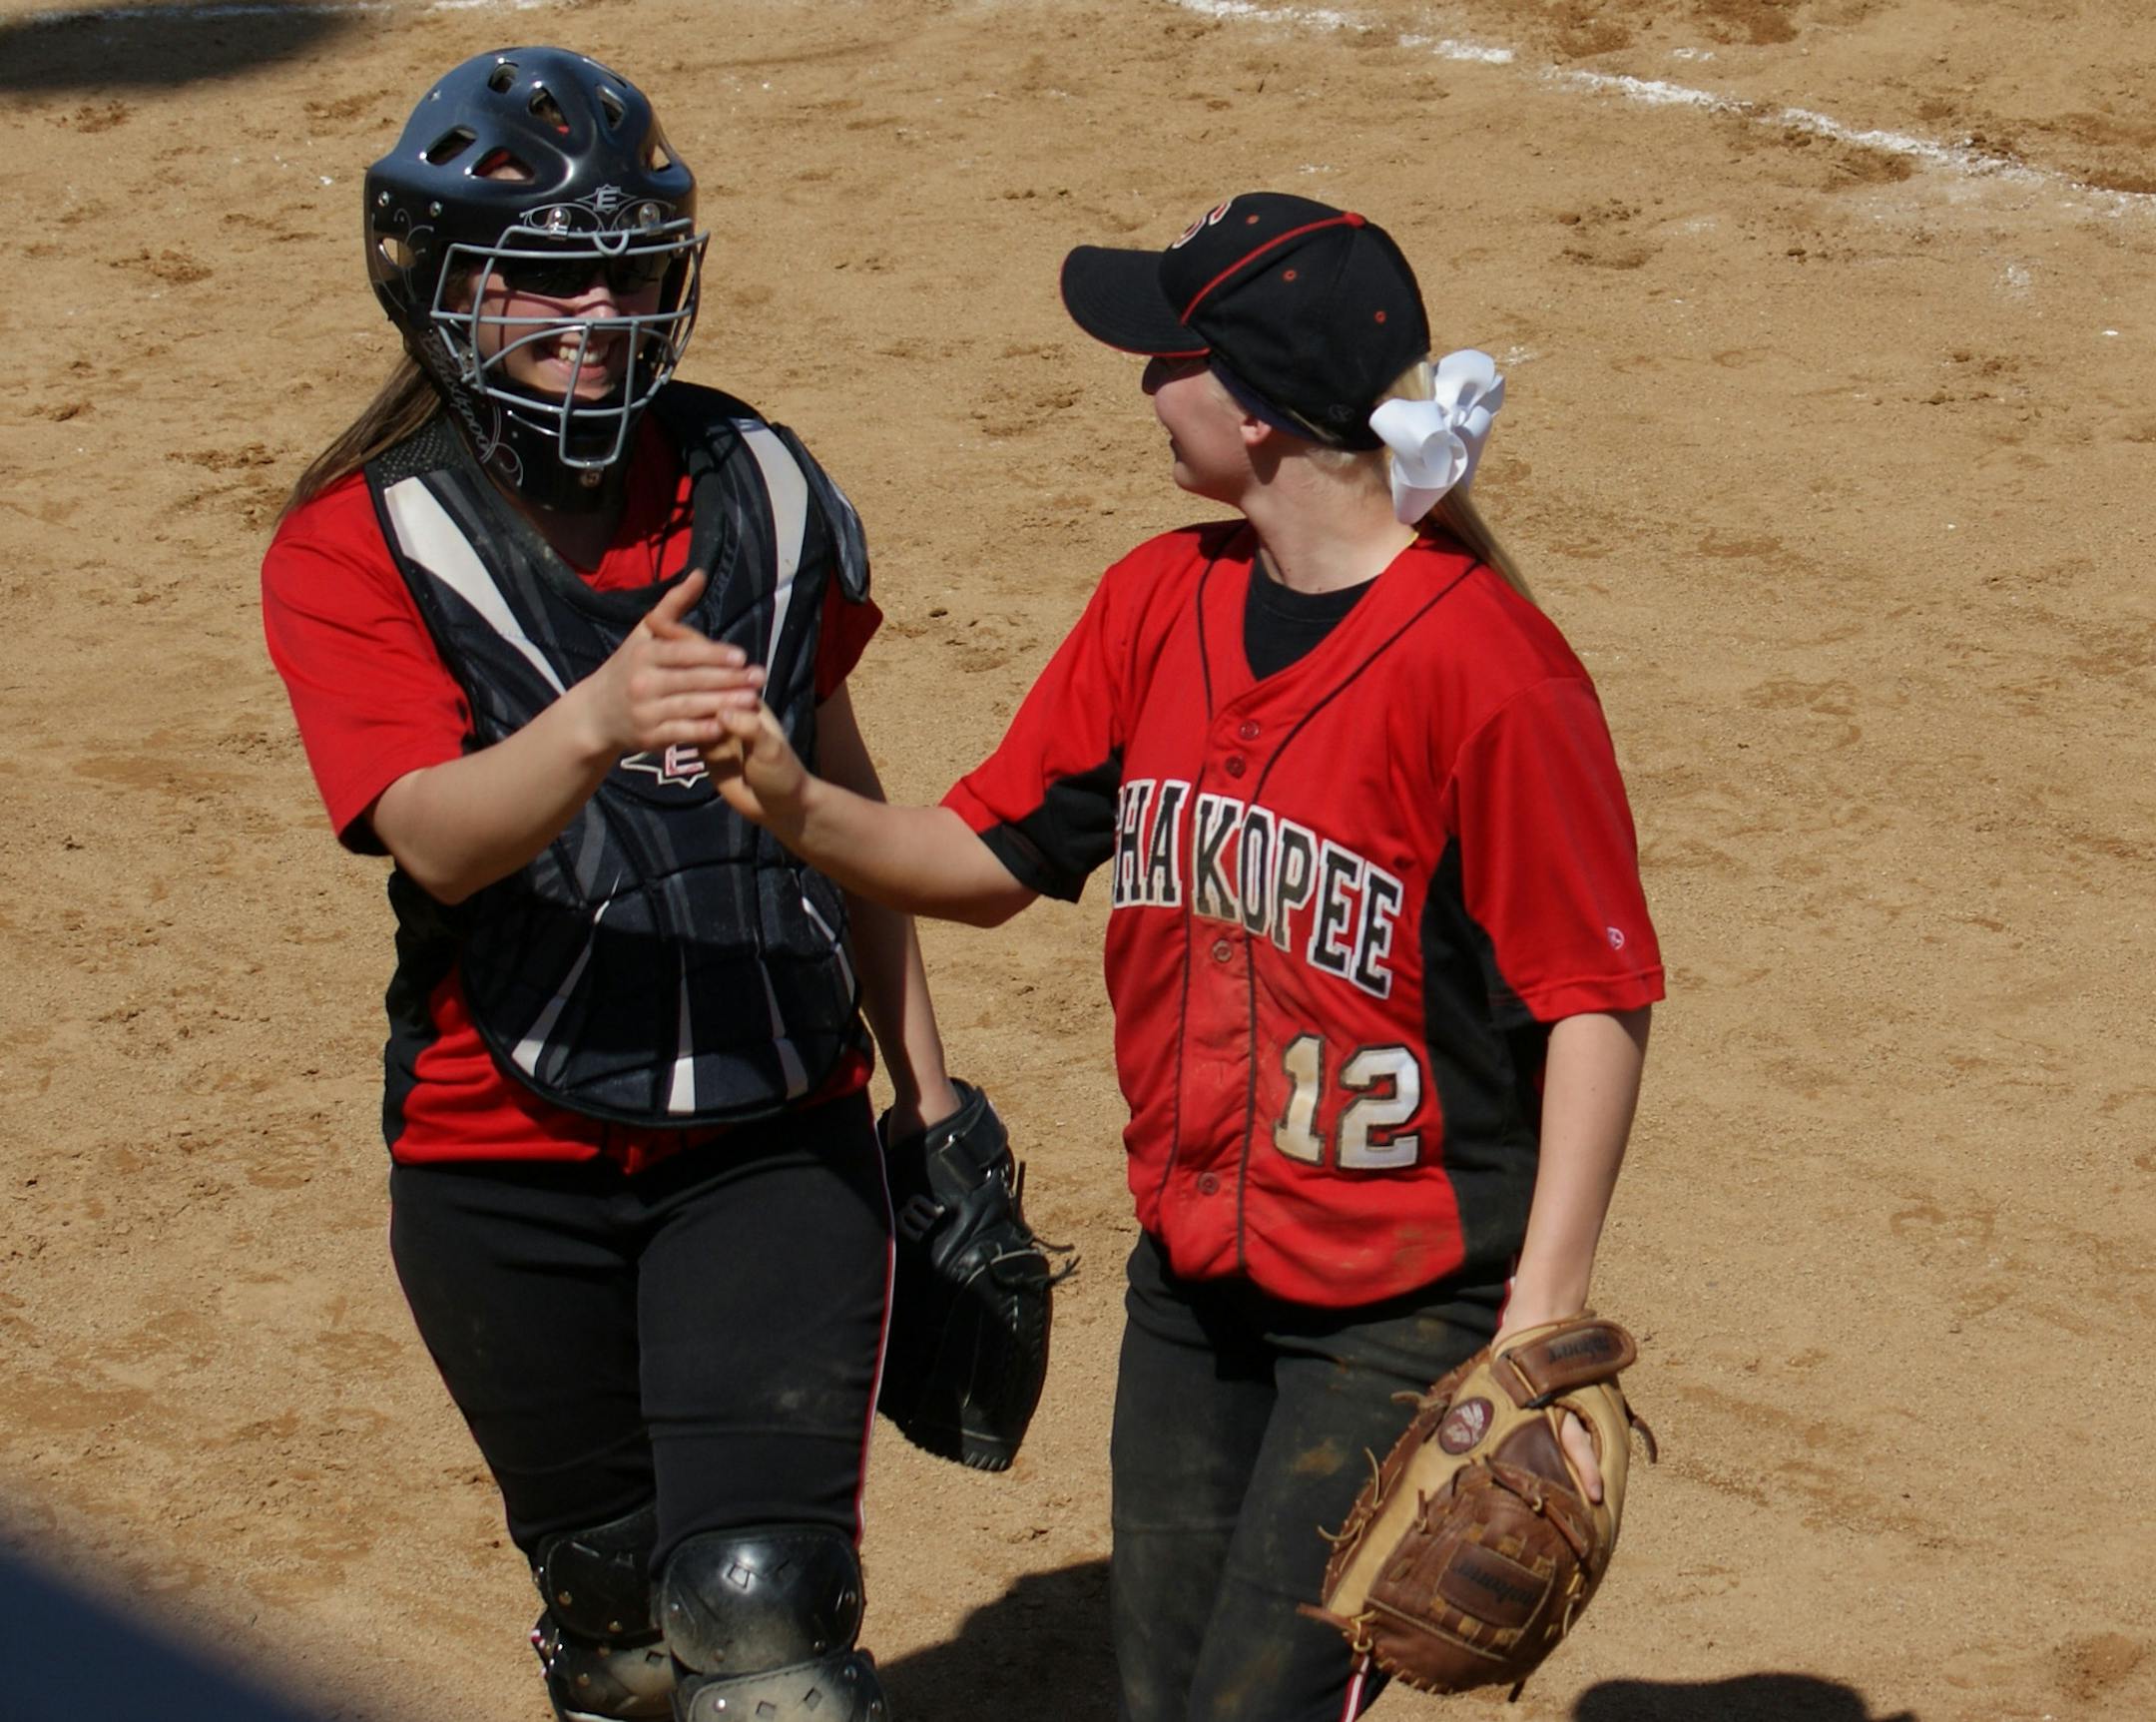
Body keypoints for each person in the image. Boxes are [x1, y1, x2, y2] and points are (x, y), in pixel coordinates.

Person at [702, 193, 1666, 1721]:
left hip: (1399, 1305)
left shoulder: (1491, 673)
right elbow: (984, 860)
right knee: (1161, 1699)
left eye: (1168, 352)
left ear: (1263, 414)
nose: (1143, 378)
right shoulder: (1160, 604)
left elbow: (1597, 995)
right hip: (1188, 1289)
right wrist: (797, 799)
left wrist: (1540, 1319)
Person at [260, 46, 954, 1722]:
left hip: (770, 1131)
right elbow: (432, 828)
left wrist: (933, 1106)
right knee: (625, 1636)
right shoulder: (353, 543)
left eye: (628, 272)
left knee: (758, 1611)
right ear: (441, 290)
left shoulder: (763, 491)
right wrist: (599, 719)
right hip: (499, 1158)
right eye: (545, 279)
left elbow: (847, 811)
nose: (595, 314)